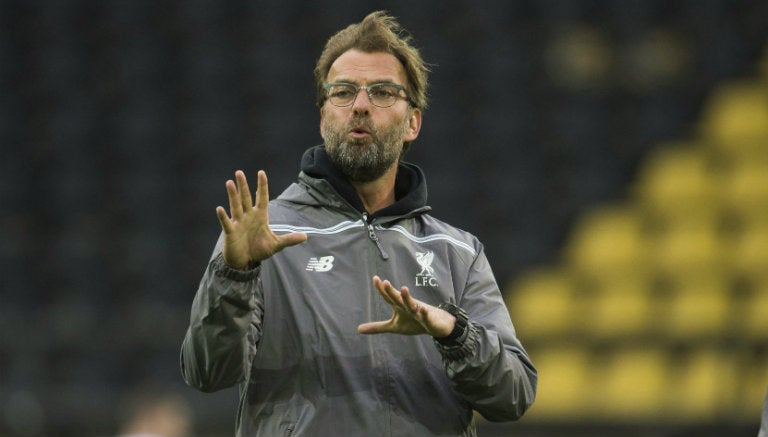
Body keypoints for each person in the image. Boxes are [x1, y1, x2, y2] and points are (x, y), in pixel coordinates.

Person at [180, 11, 537, 436]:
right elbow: (206, 373)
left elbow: (514, 394)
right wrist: (233, 276)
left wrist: (455, 333)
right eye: (344, 92)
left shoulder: (457, 252)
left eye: (383, 92)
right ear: (323, 116)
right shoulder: (262, 235)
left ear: (413, 122)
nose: (361, 106)